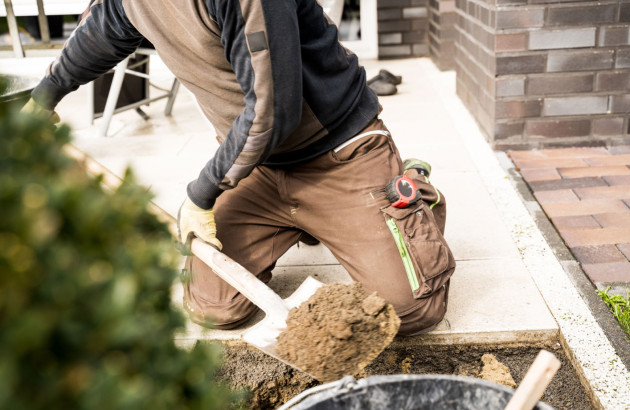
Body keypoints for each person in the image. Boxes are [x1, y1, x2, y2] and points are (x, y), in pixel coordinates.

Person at [25, 0, 455, 336]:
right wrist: (45, 95)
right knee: (215, 307)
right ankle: (302, 223)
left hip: (336, 155)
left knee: (410, 309)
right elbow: (103, 28)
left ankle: (410, 189)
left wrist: (201, 194)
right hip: (253, 168)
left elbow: (273, 111)